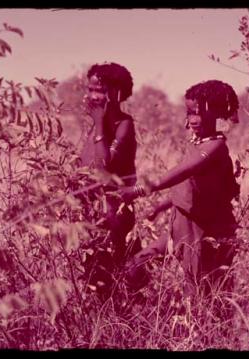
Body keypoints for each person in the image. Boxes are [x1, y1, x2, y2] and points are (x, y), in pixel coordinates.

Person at [120, 80, 240, 300]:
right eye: (189, 112)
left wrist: (138, 190)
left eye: (198, 113)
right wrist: (160, 206)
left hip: (203, 229)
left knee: (200, 290)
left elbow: (183, 172)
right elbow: (189, 186)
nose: (193, 119)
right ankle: (144, 311)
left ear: (215, 113)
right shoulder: (197, 142)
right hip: (182, 224)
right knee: (137, 264)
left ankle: (203, 332)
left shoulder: (214, 147)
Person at [78, 62, 148, 301]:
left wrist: (98, 122)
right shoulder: (100, 125)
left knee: (118, 276)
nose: (93, 96)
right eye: (91, 89)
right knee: (95, 279)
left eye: (101, 90)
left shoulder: (123, 125)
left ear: (117, 93)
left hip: (113, 215)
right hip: (93, 213)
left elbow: (103, 167)